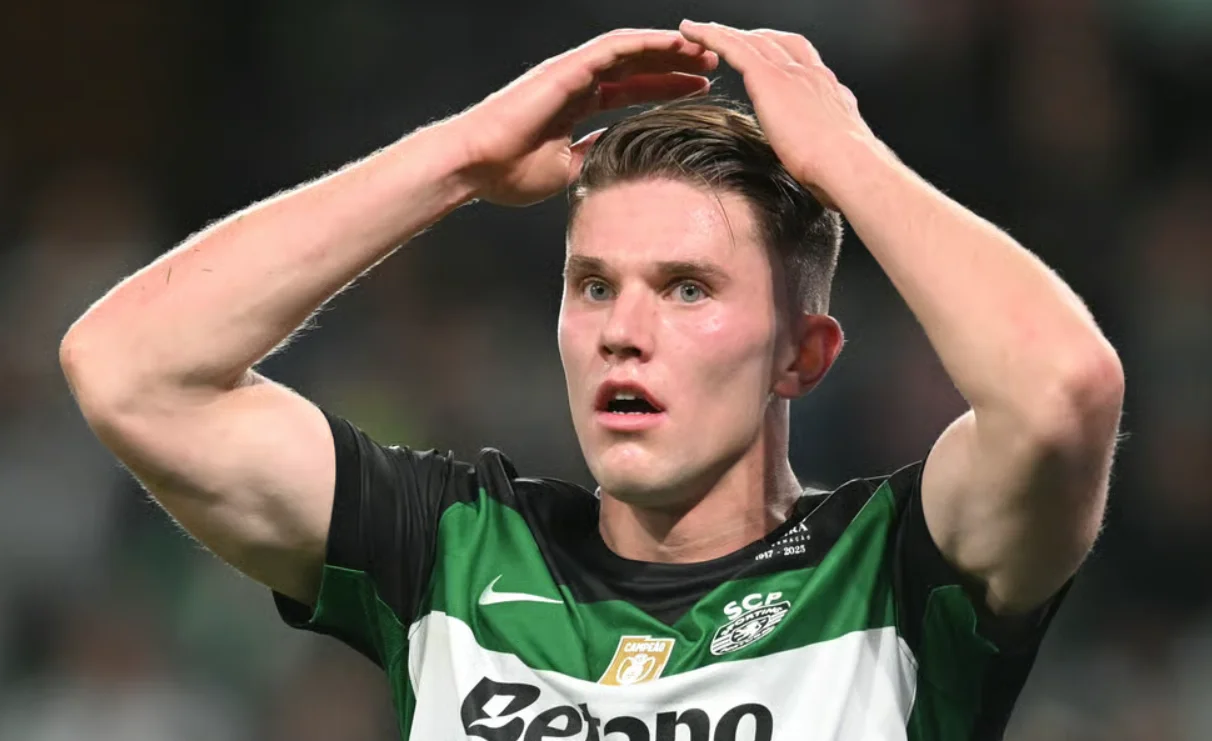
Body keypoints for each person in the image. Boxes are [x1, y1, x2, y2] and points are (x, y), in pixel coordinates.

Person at [61, 22, 1125, 741]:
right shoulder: (454, 550)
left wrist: (847, 158)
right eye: (594, 285)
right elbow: (130, 370)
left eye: (688, 288)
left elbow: (1063, 391)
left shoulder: (893, 568)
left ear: (802, 355)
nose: (624, 331)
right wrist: (459, 160)